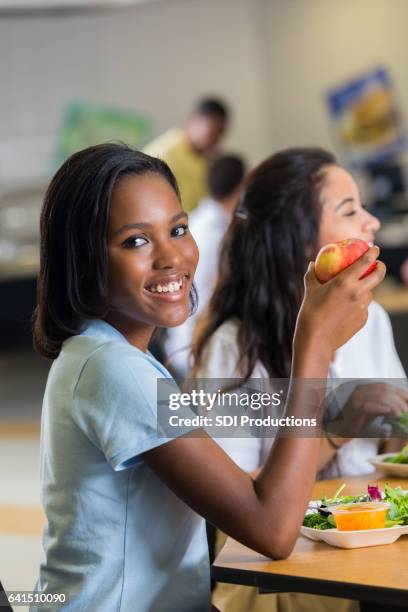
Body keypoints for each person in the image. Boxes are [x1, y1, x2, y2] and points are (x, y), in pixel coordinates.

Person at [31, 143, 384, 612]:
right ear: (82, 258)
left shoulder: (112, 358)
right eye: (136, 240)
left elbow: (242, 492)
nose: (172, 257)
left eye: (178, 229)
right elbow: (272, 529)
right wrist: (313, 350)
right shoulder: (112, 370)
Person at [191, 147, 407, 612]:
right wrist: (340, 426)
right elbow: (237, 501)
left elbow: (392, 453)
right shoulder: (235, 345)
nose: (370, 223)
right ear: (298, 239)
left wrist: (396, 427)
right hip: (285, 585)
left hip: (373, 561)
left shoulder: (374, 322)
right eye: (349, 211)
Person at [164, 153, 246, 378]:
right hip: (195, 352)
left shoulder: (198, 220)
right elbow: (205, 302)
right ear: (241, 186)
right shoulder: (217, 234)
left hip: (183, 346)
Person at [144, 97, 229, 213]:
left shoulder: (207, 160)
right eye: (213, 132)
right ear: (195, 121)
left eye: (221, 134)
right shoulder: (163, 154)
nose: (216, 140)